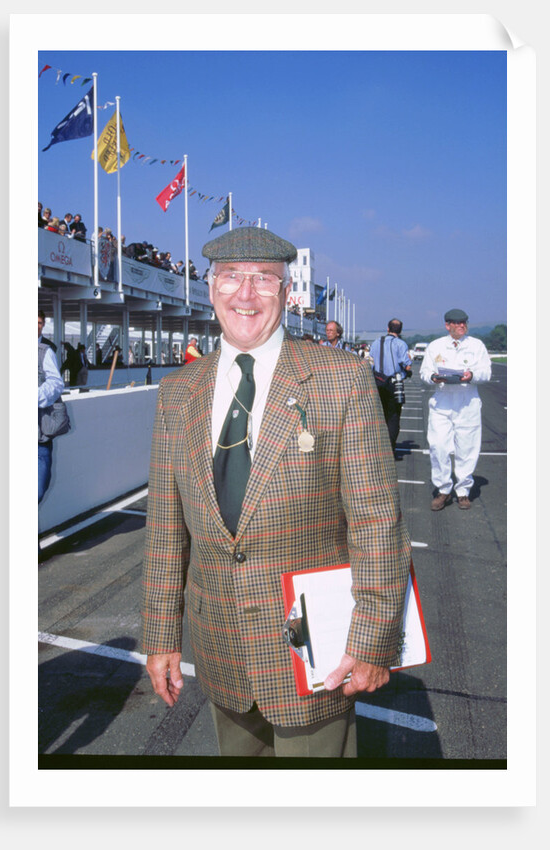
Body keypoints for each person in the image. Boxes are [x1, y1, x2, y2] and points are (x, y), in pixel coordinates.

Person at [142, 226, 410, 758]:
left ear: (286, 293)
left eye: (264, 279)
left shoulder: (341, 379)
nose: (246, 293)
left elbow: (377, 522)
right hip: (220, 644)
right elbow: (166, 530)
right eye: (230, 278)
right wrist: (160, 635)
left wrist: (373, 640)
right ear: (210, 288)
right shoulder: (177, 391)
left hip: (317, 653)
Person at [420, 308, 491, 510]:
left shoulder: (476, 345)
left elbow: (486, 372)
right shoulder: (435, 346)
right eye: (457, 323)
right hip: (442, 402)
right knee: (438, 446)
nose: (462, 326)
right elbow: (425, 372)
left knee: (467, 448)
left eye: (464, 322)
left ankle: (463, 491)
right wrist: (433, 377)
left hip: (467, 401)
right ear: (447, 325)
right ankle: (443, 489)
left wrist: (472, 375)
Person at [369, 319, 413, 456]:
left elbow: (370, 362)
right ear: (400, 330)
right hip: (394, 383)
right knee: (393, 416)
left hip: (377, 382)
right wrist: (408, 369)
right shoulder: (401, 344)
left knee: (379, 415)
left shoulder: (376, 342)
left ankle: (378, 447)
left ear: (388, 329)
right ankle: (390, 448)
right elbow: (406, 365)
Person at [38, 316, 64, 504]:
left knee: (38, 489)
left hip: (39, 434)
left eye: (39, 323)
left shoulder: (46, 351)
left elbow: (56, 383)